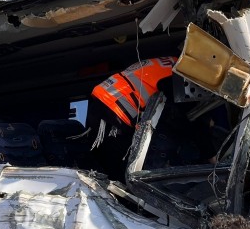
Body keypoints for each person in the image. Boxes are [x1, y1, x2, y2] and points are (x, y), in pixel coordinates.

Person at [85, 56, 216, 181]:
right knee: (120, 172)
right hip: (112, 113)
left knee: (109, 164)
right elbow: (190, 121)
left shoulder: (171, 64)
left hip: (104, 104)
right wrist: (212, 157)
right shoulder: (179, 77)